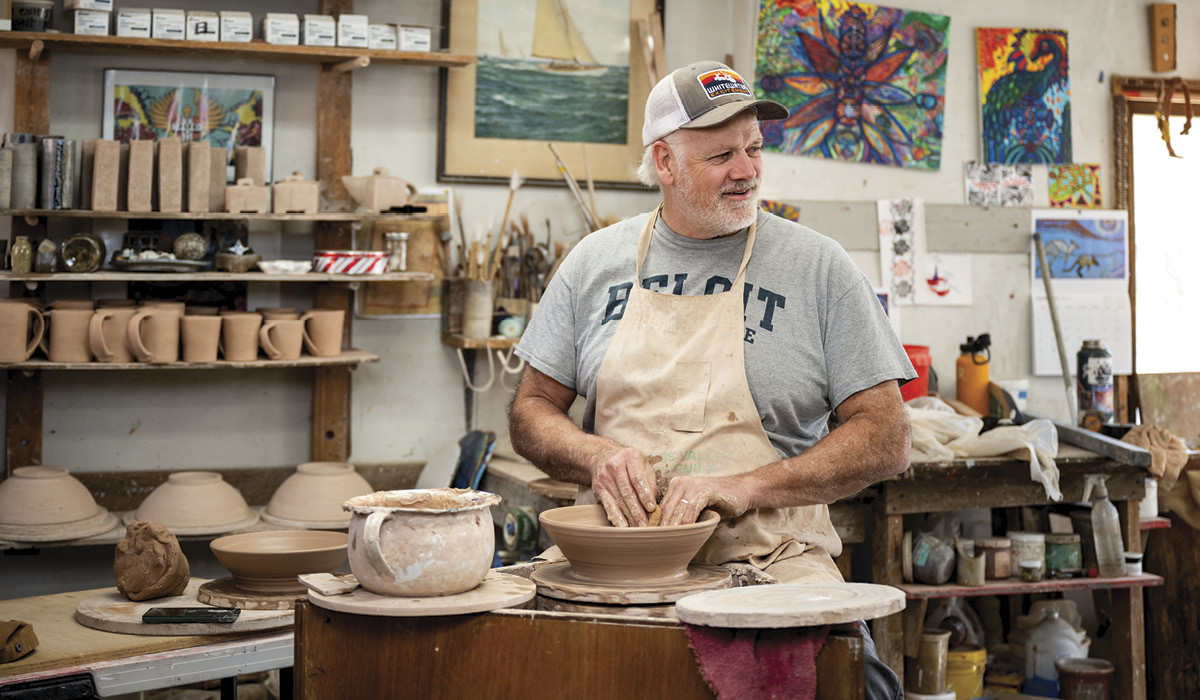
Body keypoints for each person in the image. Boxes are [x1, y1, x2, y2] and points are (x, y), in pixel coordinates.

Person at [508, 60, 914, 697]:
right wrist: (597, 456)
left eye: (754, 148)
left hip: (773, 563)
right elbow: (531, 409)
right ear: (664, 163)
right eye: (722, 154)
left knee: (859, 683)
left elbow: (887, 437)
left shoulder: (819, 268)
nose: (748, 170)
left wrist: (749, 486)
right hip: (615, 562)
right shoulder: (594, 262)